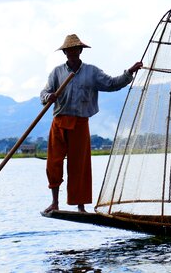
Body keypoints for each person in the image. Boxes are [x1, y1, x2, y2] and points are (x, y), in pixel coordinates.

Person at [40, 34, 142, 213]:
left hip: (80, 123)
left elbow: (112, 84)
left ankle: (81, 206)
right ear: (65, 53)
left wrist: (129, 72)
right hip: (59, 122)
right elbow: (45, 93)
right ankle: (55, 202)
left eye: (75, 50)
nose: (72, 53)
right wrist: (50, 96)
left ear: (80, 51)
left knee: (79, 165)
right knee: (53, 163)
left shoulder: (92, 72)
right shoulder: (57, 72)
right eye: (68, 50)